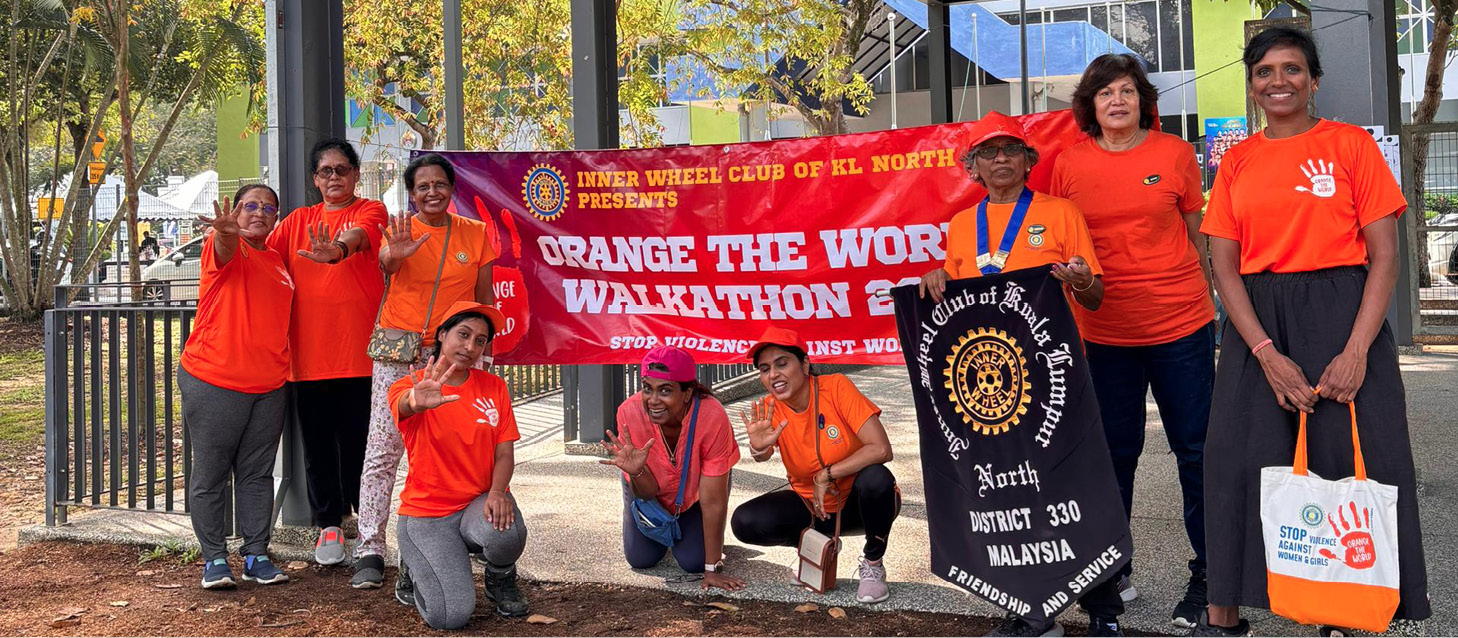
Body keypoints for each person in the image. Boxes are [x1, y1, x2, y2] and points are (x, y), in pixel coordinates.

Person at [1195, 26, 1429, 636]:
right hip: (1258, 324)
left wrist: (1355, 351)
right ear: (1251, 85)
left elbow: (1385, 256)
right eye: (1265, 71)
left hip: (1343, 313)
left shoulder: (1350, 146)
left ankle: (1344, 607)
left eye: (1292, 69)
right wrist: (1266, 353)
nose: (1279, 81)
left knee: (1351, 459)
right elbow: (1223, 264)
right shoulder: (1237, 159)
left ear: (1314, 80)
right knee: (1236, 459)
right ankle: (1224, 610)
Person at [919, 111, 1120, 637]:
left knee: (1075, 485)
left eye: (1011, 149)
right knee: (1010, 492)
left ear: (1030, 160)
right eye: (989, 152)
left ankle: (1104, 612)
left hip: (1057, 377)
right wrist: (939, 274)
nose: (1000, 159)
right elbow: (958, 302)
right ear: (973, 167)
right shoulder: (963, 225)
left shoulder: (1060, 213)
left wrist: (1079, 281)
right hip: (994, 386)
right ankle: (1028, 609)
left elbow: (1096, 297)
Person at [1050, 53, 1215, 629]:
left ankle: (1208, 576)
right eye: (1104, 94)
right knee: (1113, 457)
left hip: (1182, 326)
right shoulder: (1068, 164)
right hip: (1103, 333)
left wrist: (1217, 305)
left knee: (1195, 453)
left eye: (1126, 91)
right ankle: (1110, 574)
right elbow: (1060, 244)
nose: (1116, 101)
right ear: (1089, 106)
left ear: (1143, 100)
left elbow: (1200, 236)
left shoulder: (1174, 154)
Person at [352, 153, 498, 594]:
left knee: (444, 451)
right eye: (422, 186)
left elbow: (484, 298)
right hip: (398, 355)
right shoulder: (399, 231)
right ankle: (370, 549)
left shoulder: (474, 234)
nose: (431, 192)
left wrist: (484, 354)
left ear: (452, 189)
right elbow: (386, 262)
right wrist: (393, 256)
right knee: (383, 448)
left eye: (439, 184)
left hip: (450, 356)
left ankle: (431, 544)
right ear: (411, 194)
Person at [266, 138, 389, 567]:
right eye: (325, 171)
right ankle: (329, 525)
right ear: (314, 179)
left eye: (341, 169)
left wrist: (336, 251)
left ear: (355, 174)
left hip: (361, 355)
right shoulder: (297, 220)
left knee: (360, 445)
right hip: (308, 356)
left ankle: (365, 523)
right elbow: (263, 254)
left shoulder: (371, 211)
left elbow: (358, 238)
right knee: (318, 448)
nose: (333, 177)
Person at [730, 327, 898, 605]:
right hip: (813, 507)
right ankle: (815, 545)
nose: (773, 375)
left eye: (782, 363)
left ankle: (873, 562)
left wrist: (826, 474)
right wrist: (759, 446)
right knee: (745, 521)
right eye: (764, 368)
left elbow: (881, 448)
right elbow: (762, 455)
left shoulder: (836, 387)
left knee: (877, 479)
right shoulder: (771, 407)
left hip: (859, 504)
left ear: (805, 364)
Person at [179, 185, 294, 589]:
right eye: (250, 206)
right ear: (236, 212)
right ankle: (213, 559)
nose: (259, 212)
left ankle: (256, 554)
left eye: (268, 207)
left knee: (256, 475)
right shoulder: (226, 247)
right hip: (215, 379)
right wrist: (225, 233)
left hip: (269, 385)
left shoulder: (277, 258)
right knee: (211, 473)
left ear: (277, 216)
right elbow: (224, 247)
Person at [389, 301, 529, 629]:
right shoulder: (411, 385)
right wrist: (416, 401)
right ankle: (414, 564)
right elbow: (405, 406)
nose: (470, 346)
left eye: (480, 340)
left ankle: (500, 578)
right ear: (442, 334)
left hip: (475, 505)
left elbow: (504, 452)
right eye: (463, 335)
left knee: (508, 531)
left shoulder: (494, 387)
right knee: (450, 616)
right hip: (426, 517)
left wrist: (497, 491)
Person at [602, 346, 744, 591]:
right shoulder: (629, 412)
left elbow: (712, 501)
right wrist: (635, 471)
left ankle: (695, 533)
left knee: (694, 562)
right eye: (648, 388)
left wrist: (713, 569)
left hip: (696, 495)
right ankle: (662, 526)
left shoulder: (712, 415)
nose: (653, 400)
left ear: (687, 393)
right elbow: (646, 492)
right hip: (647, 491)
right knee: (641, 560)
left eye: (665, 391)